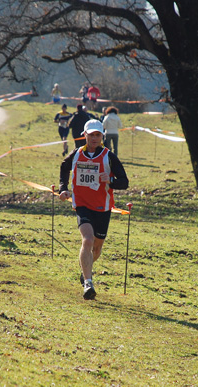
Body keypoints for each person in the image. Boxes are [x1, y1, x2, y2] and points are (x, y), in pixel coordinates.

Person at [59, 119, 129, 300]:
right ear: (85, 135)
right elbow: (64, 167)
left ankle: (85, 271)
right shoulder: (76, 154)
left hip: (103, 207)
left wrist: (110, 181)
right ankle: (88, 284)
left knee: (96, 249)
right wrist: (63, 188)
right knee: (87, 240)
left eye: (98, 135)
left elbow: (124, 182)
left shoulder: (109, 156)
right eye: (91, 135)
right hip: (82, 204)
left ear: (102, 136)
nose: (94, 138)